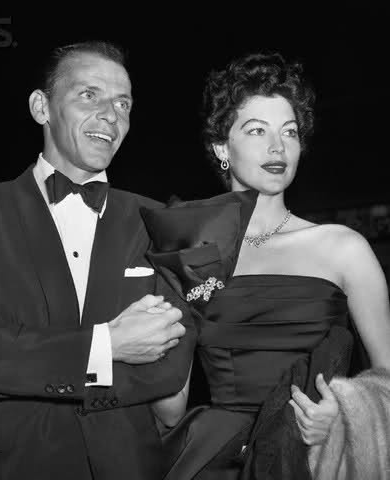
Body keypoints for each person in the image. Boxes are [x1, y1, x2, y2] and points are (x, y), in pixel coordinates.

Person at [0, 41, 195, 480]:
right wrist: (106, 346)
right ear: (41, 107)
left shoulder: (160, 220)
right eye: (89, 95)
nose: (111, 115)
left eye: (123, 103)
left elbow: (170, 369)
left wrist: (22, 360)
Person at [141, 52, 390, 479]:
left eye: (289, 132)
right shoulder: (191, 253)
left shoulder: (343, 248)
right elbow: (169, 409)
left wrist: (345, 413)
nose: (278, 147)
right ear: (222, 147)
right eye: (257, 130)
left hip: (310, 461)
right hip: (215, 460)